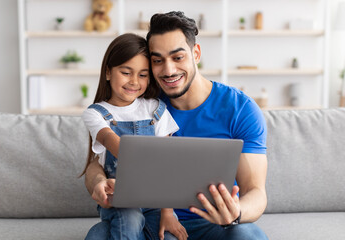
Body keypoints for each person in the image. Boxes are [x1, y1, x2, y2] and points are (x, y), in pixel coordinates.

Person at [85, 11, 269, 240]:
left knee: (249, 235)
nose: (168, 70)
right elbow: (97, 162)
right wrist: (99, 182)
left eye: (178, 57)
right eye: (157, 60)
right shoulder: (141, 101)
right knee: (99, 235)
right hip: (149, 224)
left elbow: (255, 191)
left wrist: (236, 212)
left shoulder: (240, 109)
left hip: (215, 224)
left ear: (196, 53)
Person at [80, 33, 188, 240]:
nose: (134, 82)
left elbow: (167, 164)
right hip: (118, 200)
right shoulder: (95, 113)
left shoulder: (156, 109)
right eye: (126, 72)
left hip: (155, 202)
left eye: (142, 74)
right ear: (108, 73)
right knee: (129, 219)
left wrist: (167, 212)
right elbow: (113, 143)